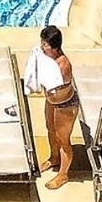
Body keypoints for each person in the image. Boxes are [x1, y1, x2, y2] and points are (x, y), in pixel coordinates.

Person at [38, 25, 78, 190]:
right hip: (52, 102)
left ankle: (63, 175)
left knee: (63, 140)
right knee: (50, 129)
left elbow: (50, 82)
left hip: (65, 106)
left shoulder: (63, 66)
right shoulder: (49, 58)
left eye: (45, 45)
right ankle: (54, 158)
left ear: (54, 48)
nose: (42, 47)